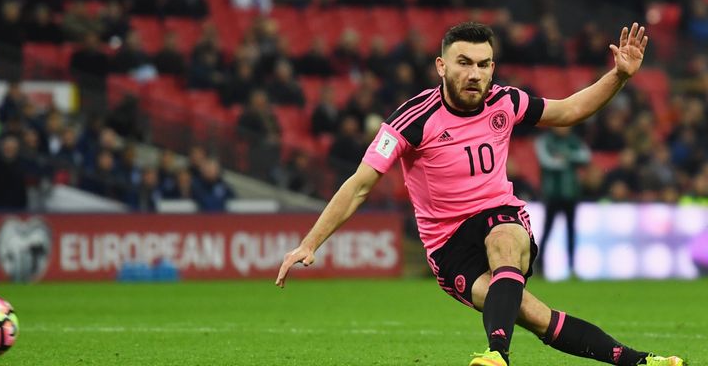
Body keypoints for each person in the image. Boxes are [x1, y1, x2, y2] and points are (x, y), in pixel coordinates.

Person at [276, 22, 683, 366]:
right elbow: (360, 185)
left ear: (493, 67)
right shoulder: (412, 120)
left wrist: (619, 76)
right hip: (447, 245)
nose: (475, 74)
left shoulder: (505, 100)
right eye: (464, 63)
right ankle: (641, 361)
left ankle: (495, 356)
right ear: (442, 66)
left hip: (499, 214)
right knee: (536, 317)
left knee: (504, 241)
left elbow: (568, 111)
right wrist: (310, 243)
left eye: (484, 64)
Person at [534, 126, 591, 277]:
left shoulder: (573, 140)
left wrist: (565, 156)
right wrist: (570, 158)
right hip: (552, 194)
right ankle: (540, 265)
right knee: (547, 230)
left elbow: (585, 156)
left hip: (570, 194)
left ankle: (572, 267)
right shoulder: (545, 141)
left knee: (571, 231)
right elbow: (547, 161)